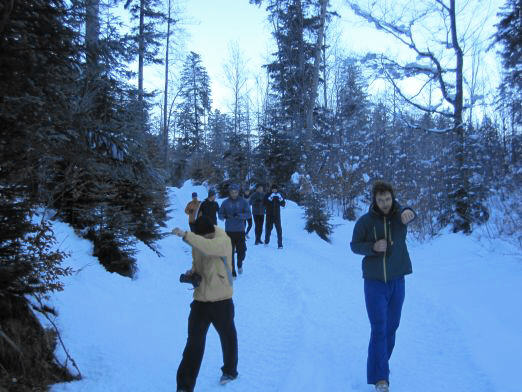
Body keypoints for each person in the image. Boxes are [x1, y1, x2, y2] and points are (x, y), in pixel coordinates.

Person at [350, 181, 416, 392]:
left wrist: (409, 211)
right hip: (374, 283)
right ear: (374, 200)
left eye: (388, 199)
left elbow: (409, 213)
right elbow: (354, 245)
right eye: (381, 200)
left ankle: (380, 364)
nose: (385, 203)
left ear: (392, 197)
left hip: (397, 281)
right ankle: (381, 379)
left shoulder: (399, 217)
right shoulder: (365, 222)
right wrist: (372, 247)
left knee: (392, 327)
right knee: (379, 328)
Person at [172, 216, 238, 392]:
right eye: (198, 237)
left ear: (210, 232)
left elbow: (209, 248)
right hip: (200, 300)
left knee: (227, 337)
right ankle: (184, 386)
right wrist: (192, 273)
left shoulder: (223, 240)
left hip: (222, 300)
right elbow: (198, 261)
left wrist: (185, 235)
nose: (202, 240)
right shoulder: (199, 239)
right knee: (193, 344)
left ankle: (230, 371)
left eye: (204, 237)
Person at [218, 184, 252, 277]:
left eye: (235, 192)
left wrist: (240, 215)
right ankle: (232, 271)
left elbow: (249, 214)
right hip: (229, 231)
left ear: (238, 192)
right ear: (229, 192)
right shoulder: (225, 202)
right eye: (232, 192)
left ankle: (239, 264)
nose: (233, 194)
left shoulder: (243, 202)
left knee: (242, 251)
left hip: (240, 231)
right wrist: (224, 216)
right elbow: (220, 214)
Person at [264, 184, 286, 249]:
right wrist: (270, 197)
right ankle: (266, 242)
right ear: (271, 189)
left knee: (279, 230)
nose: (274, 190)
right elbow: (264, 203)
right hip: (269, 215)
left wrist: (280, 198)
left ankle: (280, 245)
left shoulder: (279, 195)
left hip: (277, 216)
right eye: (273, 189)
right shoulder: (268, 195)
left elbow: (283, 204)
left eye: (275, 189)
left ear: (277, 189)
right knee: (268, 230)